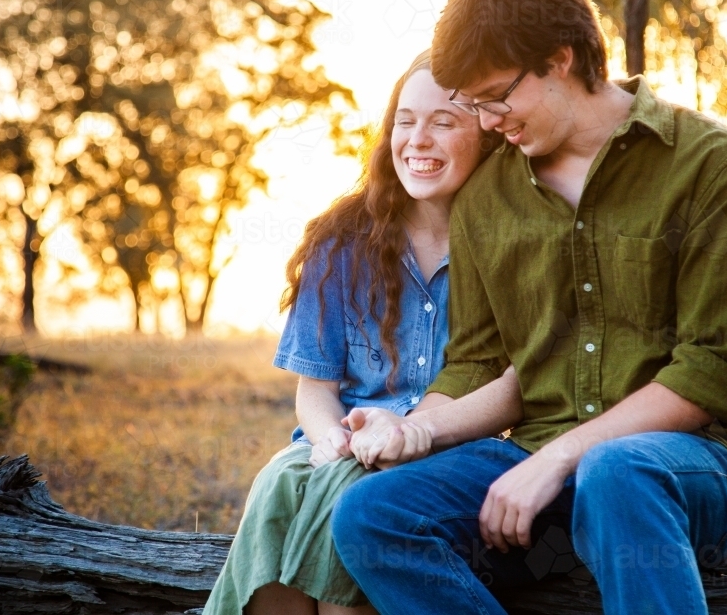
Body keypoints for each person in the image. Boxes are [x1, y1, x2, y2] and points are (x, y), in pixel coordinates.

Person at [331, 0, 727, 615]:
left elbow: (712, 375)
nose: (487, 122)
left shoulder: (714, 169)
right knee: (371, 516)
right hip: (536, 481)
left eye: (495, 97)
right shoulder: (487, 198)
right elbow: (478, 362)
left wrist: (561, 458)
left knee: (616, 470)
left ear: (560, 59)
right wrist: (413, 429)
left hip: (682, 475)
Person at [202, 50, 514, 615]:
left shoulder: (511, 245)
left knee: (354, 494)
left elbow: (524, 383)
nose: (417, 139)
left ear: (487, 137)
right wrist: (330, 439)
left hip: (448, 448)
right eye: (405, 119)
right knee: (281, 481)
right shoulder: (342, 242)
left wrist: (410, 433)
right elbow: (316, 388)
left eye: (443, 121)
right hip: (345, 440)